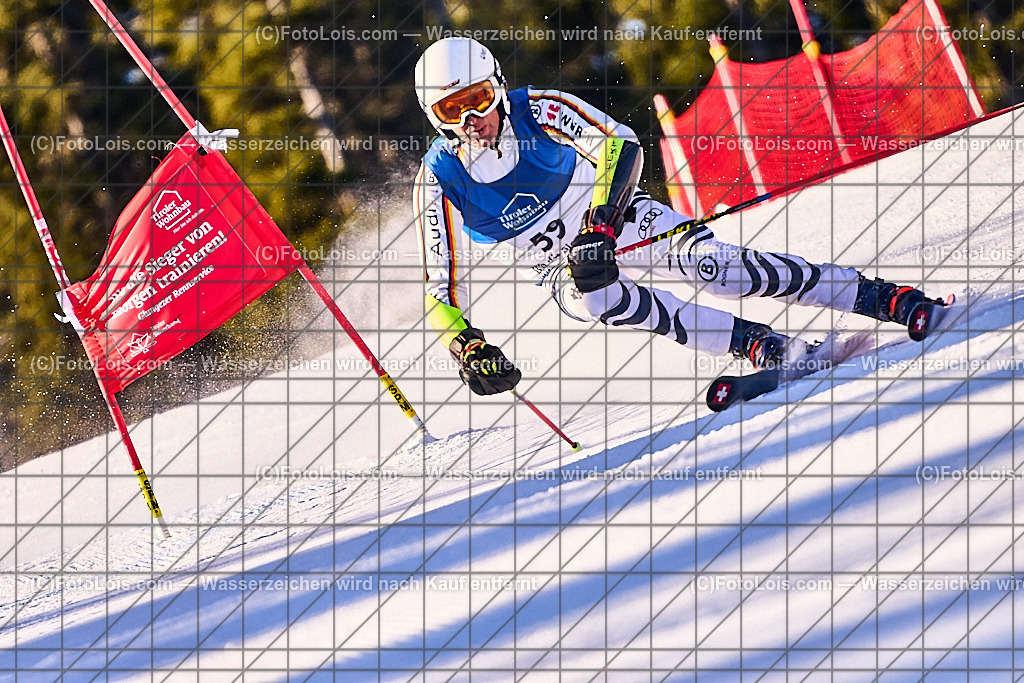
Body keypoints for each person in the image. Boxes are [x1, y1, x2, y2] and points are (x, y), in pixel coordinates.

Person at [412, 37, 945, 396]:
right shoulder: (438, 179)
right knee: (597, 295)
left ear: (497, 84)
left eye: (479, 98)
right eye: (451, 110)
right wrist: (467, 347)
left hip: (613, 218)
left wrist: (600, 223)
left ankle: (876, 297)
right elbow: (440, 289)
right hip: (562, 267)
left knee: (719, 269)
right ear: (433, 118)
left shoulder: (537, 108)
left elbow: (620, 142)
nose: (472, 118)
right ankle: (755, 344)